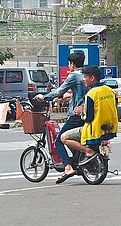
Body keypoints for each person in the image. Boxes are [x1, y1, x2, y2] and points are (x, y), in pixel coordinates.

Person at [57, 65, 119, 184]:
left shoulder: (91, 94)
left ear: (92, 78)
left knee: (63, 137)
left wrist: (81, 112)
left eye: (85, 77)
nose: (83, 79)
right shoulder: (109, 91)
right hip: (109, 129)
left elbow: (88, 117)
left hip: (93, 130)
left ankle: (88, 151)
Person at [33, 51, 86, 179]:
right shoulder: (87, 75)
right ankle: (78, 162)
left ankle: (68, 167)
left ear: (72, 64)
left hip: (75, 114)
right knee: (75, 138)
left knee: (60, 140)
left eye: (69, 64)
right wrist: (71, 96)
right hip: (86, 112)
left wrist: (44, 97)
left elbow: (59, 91)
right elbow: (82, 94)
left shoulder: (73, 75)